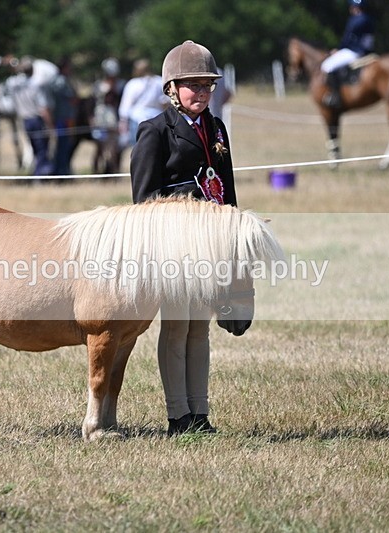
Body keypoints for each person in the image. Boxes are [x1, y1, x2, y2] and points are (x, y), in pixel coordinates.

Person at [130, 40, 237, 436]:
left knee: (200, 329)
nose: (203, 93)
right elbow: (143, 200)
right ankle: (178, 415)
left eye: (208, 85)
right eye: (193, 85)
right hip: (174, 246)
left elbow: (227, 188)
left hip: (209, 244)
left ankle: (201, 412)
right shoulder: (155, 131)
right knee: (176, 328)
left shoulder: (217, 127)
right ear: (172, 89)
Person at [321, 0, 376, 109]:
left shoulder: (355, 20)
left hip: (353, 51)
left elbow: (347, 39)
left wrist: (338, 49)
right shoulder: (368, 19)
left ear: (354, 7)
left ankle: (335, 96)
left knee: (326, 66)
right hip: (365, 51)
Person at [5, 56, 54, 176]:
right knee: (42, 150)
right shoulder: (35, 85)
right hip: (37, 120)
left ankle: (37, 174)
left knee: (35, 149)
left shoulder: (14, 85)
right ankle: (40, 176)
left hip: (25, 121)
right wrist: (50, 125)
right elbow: (43, 108)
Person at [118, 59, 169, 150]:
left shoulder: (132, 84)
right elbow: (165, 103)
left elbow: (125, 107)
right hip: (157, 118)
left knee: (138, 149)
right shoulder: (159, 81)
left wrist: (123, 124)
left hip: (137, 119)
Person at [91, 57, 126, 174]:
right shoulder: (98, 85)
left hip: (114, 119)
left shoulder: (121, 85)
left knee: (115, 148)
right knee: (100, 147)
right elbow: (93, 103)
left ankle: (113, 171)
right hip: (100, 118)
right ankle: (96, 172)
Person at [48, 57, 78, 176]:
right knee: (63, 146)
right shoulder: (62, 82)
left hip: (58, 117)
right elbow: (72, 99)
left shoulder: (53, 80)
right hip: (64, 119)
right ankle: (61, 171)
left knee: (61, 146)